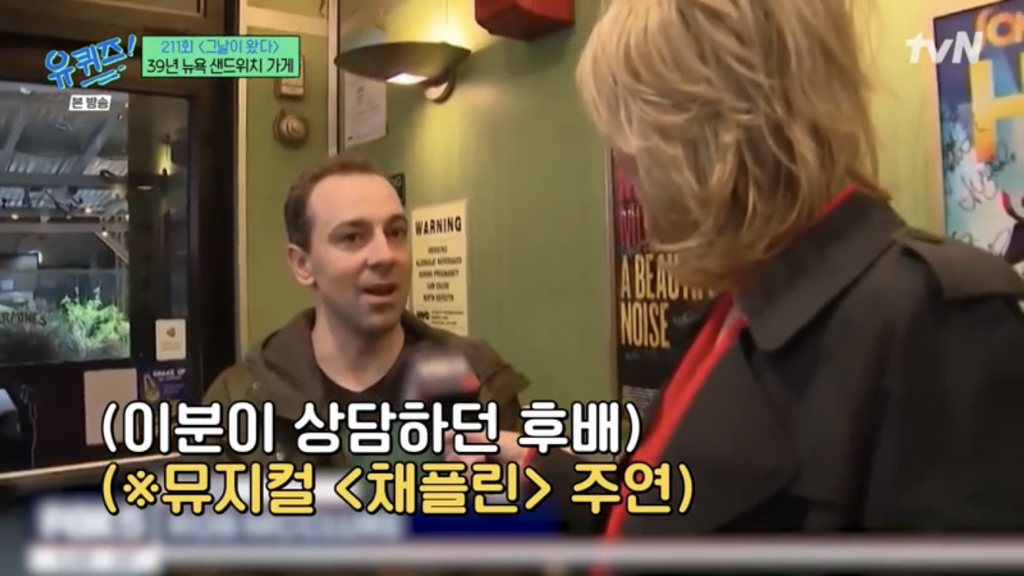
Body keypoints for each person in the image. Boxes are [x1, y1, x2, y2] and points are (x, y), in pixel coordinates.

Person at [446, 0, 1024, 545]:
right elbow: (671, 502)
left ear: (709, 133)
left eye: (632, 143)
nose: (627, 170)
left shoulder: (941, 325)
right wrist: (530, 466)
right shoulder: (738, 306)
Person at [204, 154, 530, 466]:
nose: (385, 256)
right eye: (352, 237)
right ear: (303, 264)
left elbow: (526, 496)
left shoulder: (476, 374)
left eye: (396, 232)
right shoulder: (239, 402)